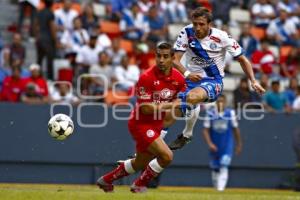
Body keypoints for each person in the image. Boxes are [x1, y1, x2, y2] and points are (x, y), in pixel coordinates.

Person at [166, 7, 265, 150]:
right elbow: (175, 59)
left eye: (201, 24)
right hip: (189, 79)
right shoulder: (186, 32)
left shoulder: (222, 37)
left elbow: (243, 60)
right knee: (166, 114)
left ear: (209, 24)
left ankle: (186, 134)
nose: (197, 28)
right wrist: (187, 74)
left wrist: (253, 81)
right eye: (195, 24)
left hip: (213, 81)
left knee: (192, 97)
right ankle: (147, 150)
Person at [96, 42, 186, 193]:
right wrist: (169, 106)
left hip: (157, 124)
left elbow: (181, 97)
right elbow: (145, 108)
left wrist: (178, 103)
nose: (161, 60)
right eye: (158, 56)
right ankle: (139, 184)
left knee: (139, 163)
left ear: (173, 58)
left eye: (165, 57)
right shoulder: (146, 77)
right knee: (167, 156)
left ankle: (106, 180)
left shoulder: (178, 78)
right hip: (141, 124)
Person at [203, 94, 242, 191]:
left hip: (227, 145)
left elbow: (236, 129)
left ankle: (220, 189)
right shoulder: (210, 114)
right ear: (216, 102)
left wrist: (239, 144)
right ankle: (217, 188)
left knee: (224, 165)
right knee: (215, 168)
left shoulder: (230, 113)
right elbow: (205, 130)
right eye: (218, 101)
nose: (220, 103)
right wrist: (210, 143)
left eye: (222, 101)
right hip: (215, 145)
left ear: (225, 102)